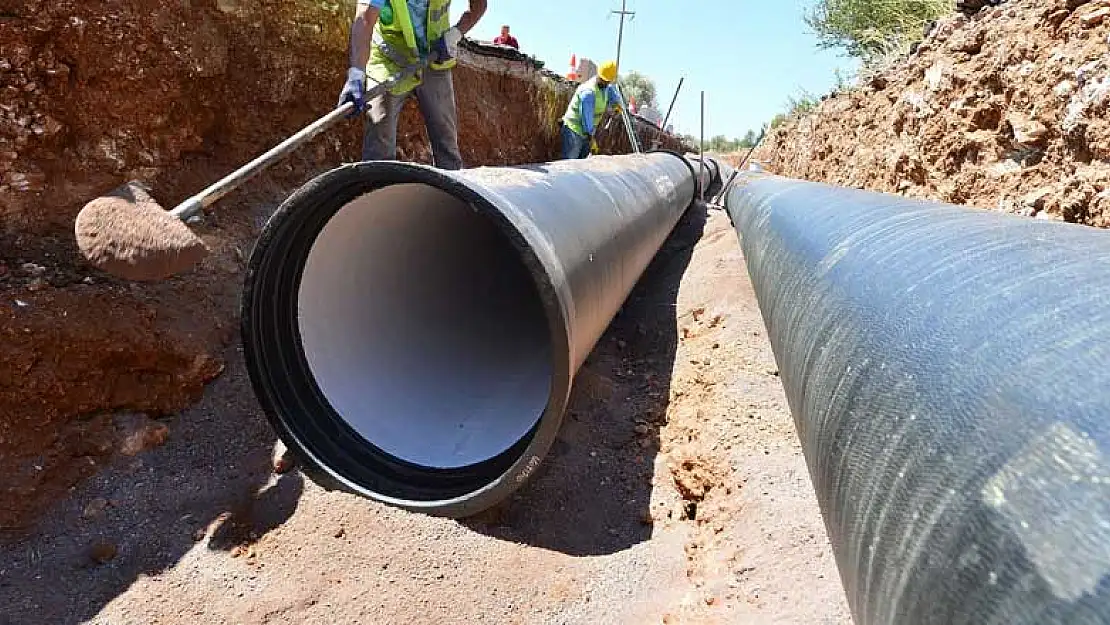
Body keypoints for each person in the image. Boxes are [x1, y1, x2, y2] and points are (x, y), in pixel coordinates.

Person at [338, 0, 487, 170]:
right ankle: (377, 190)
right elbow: (365, 18)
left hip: (436, 56)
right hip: (390, 58)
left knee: (446, 140)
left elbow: (479, 5)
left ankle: (451, 189)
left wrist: (455, 34)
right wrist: (356, 74)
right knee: (379, 135)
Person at [559, 60, 625, 160]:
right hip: (574, 130)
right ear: (599, 75)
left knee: (581, 166)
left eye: (608, 81)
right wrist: (591, 139)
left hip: (588, 132)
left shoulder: (606, 87)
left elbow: (612, 93)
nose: (606, 83)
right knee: (570, 164)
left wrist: (616, 105)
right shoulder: (588, 92)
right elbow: (586, 118)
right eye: (604, 81)